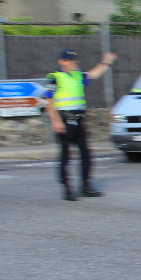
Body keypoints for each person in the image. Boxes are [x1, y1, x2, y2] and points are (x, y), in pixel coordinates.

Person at [44, 49, 117, 201]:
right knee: (66, 155)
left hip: (78, 120)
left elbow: (93, 74)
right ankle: (67, 189)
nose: (75, 62)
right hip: (64, 120)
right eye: (71, 60)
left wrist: (106, 62)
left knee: (86, 154)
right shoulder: (55, 77)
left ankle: (85, 187)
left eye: (75, 59)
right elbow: (49, 101)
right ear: (62, 61)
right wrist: (56, 121)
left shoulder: (78, 75)